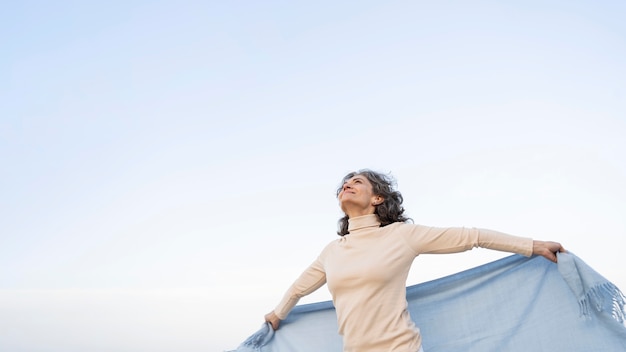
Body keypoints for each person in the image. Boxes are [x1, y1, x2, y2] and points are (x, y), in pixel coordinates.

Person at [264, 169, 565, 352]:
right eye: (344, 184)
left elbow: (472, 236)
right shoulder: (332, 251)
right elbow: (297, 289)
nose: (347, 185)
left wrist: (533, 246)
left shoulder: (402, 236)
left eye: (356, 182)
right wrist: (277, 315)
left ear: (377, 199)